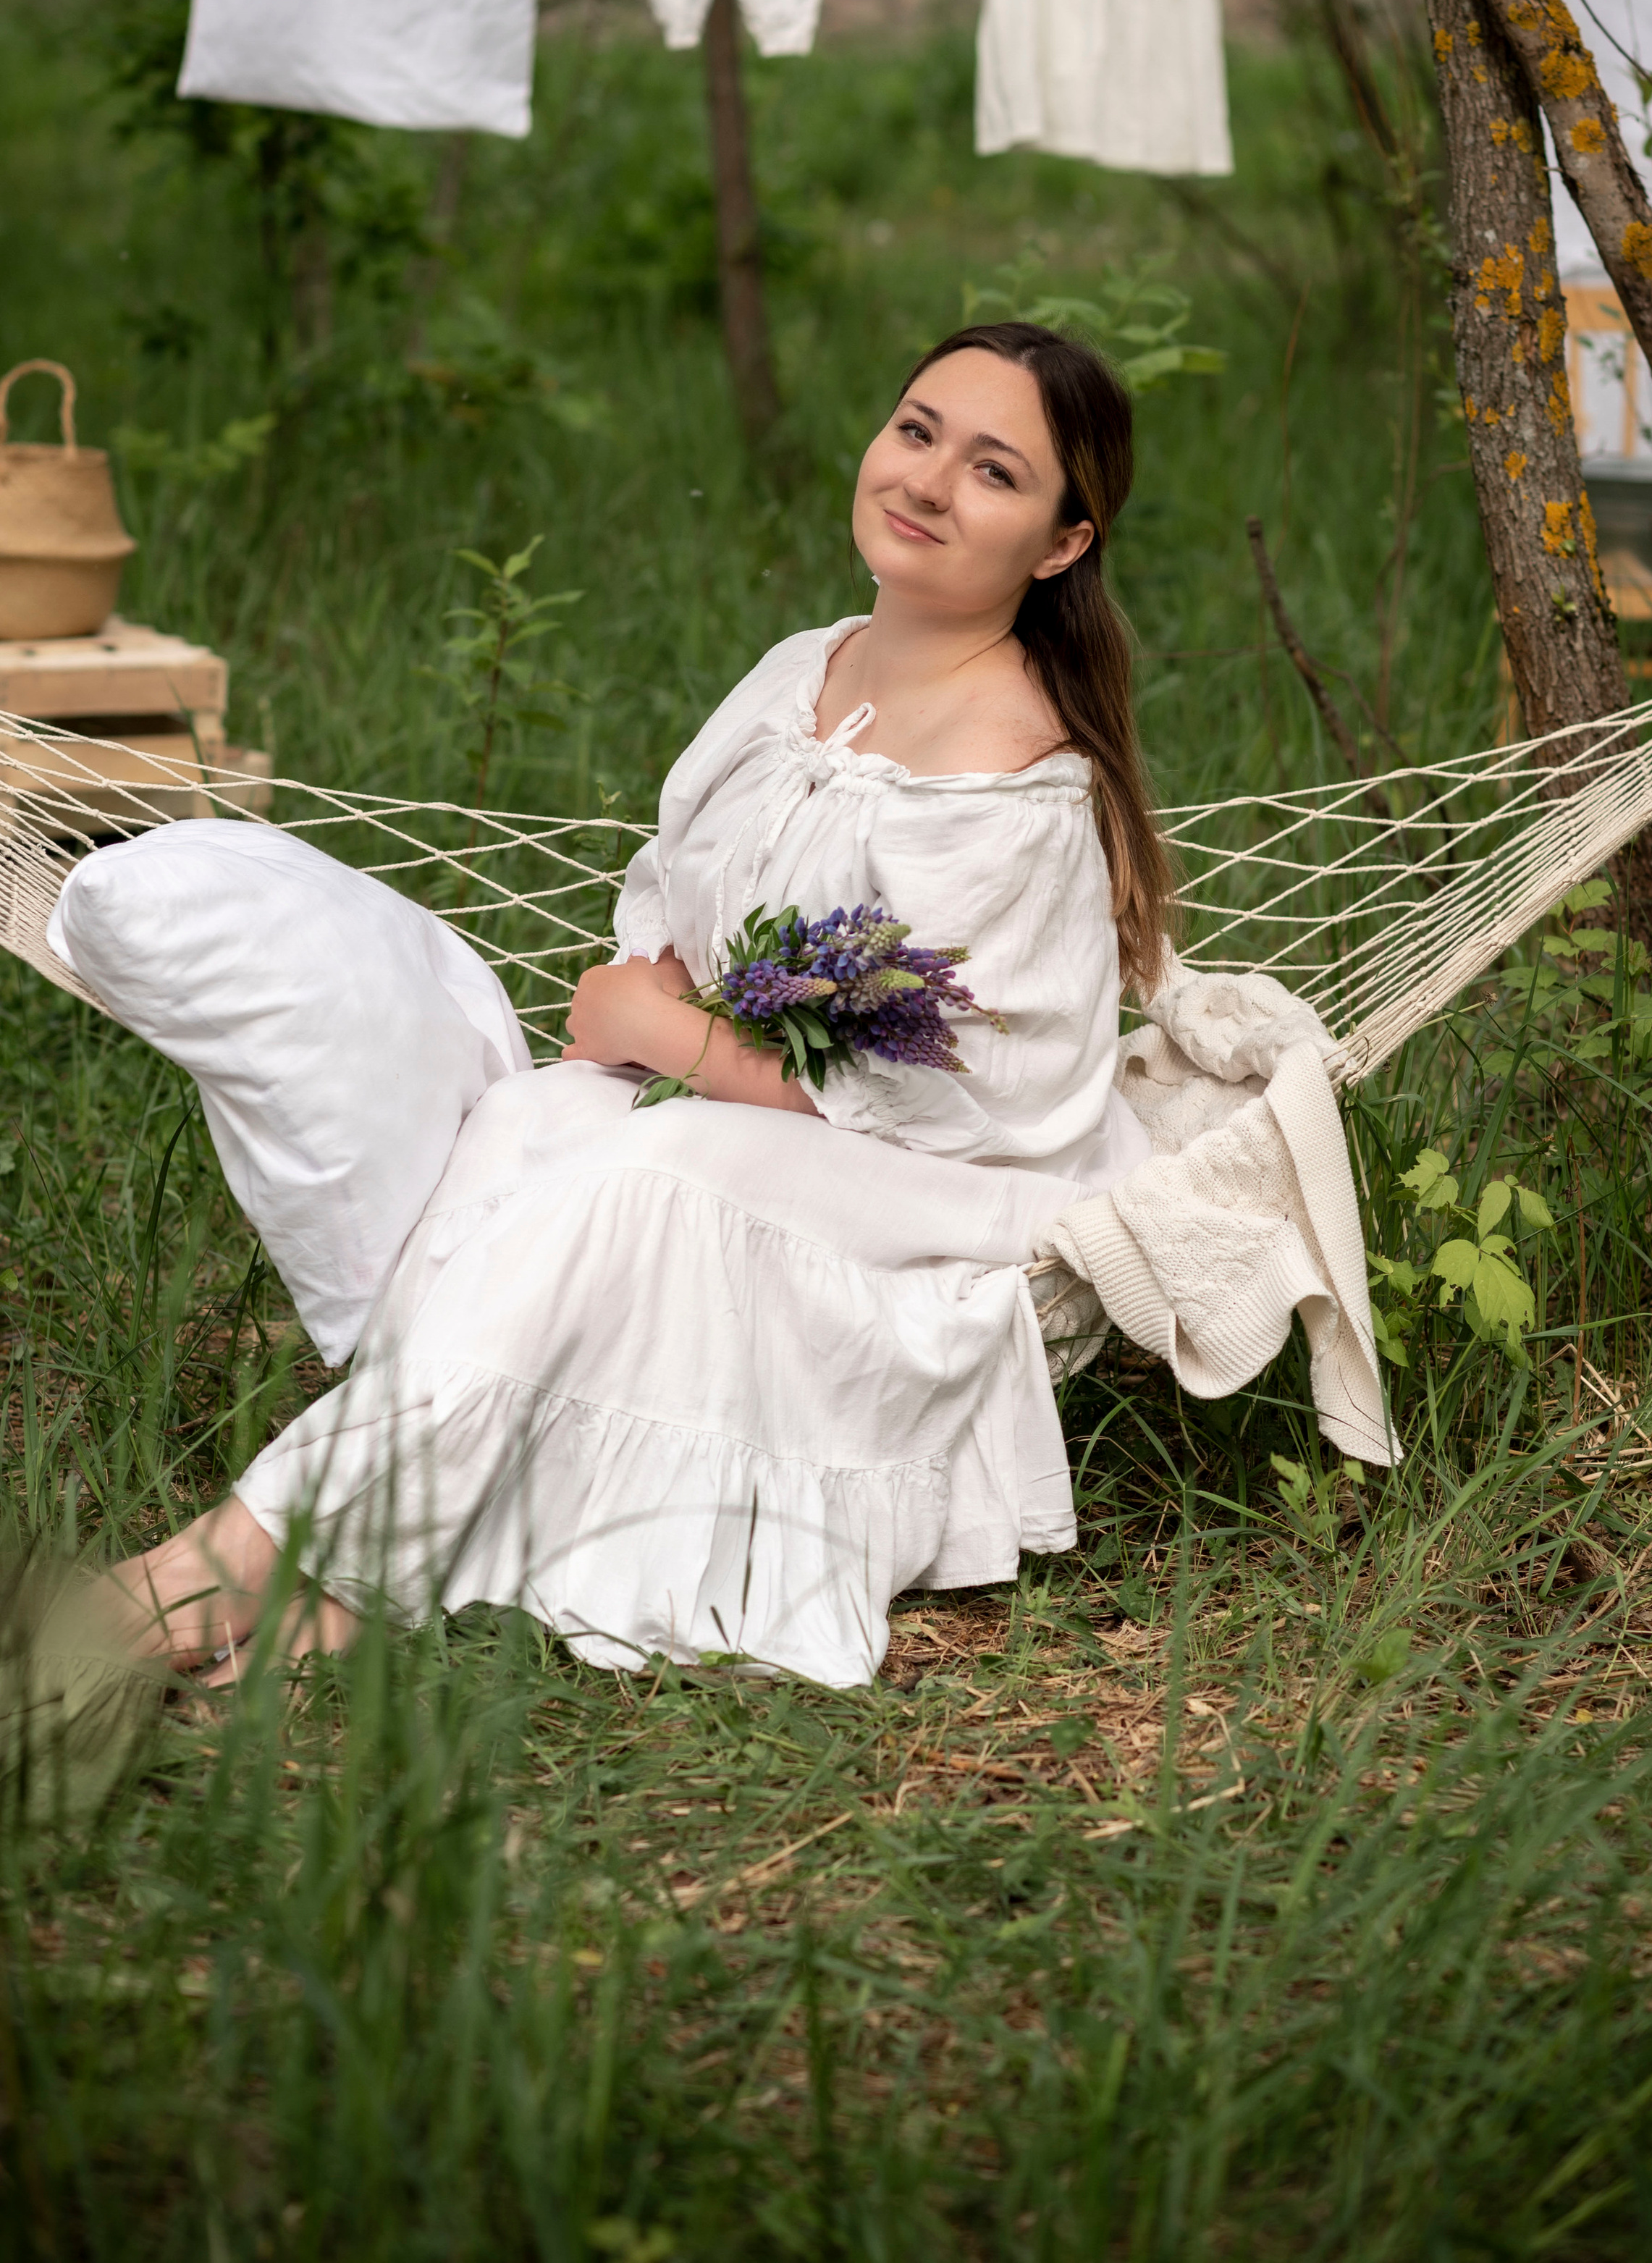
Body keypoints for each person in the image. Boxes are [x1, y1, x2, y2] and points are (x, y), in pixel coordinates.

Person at [74, 324, 1174, 1691]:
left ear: (1061, 543)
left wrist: (663, 1035)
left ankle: (239, 1551)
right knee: (533, 1124)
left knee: (643, 1177)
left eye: (995, 470)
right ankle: (392, 1560)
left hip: (953, 1194)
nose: (931, 481)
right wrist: (651, 997)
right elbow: (683, 891)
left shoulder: (1012, 773)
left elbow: (953, 1099)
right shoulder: (807, 669)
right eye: (917, 429)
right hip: (756, 1107)